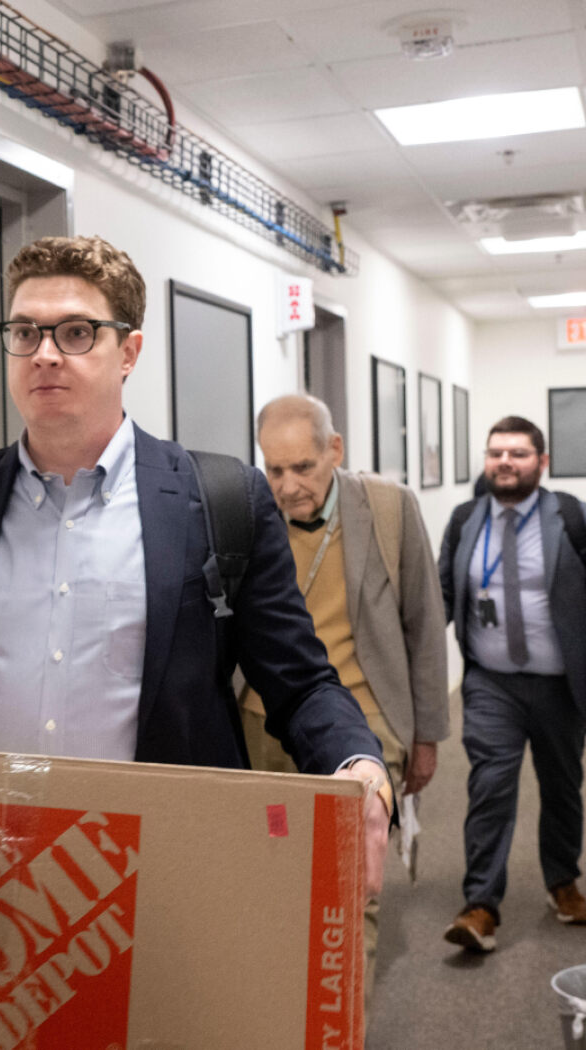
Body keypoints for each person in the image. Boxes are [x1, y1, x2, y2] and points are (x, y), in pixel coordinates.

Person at [0, 235, 392, 894]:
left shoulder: (220, 500)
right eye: (25, 332)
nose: (44, 354)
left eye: (75, 333)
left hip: (163, 870)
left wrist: (355, 762)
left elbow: (298, 682)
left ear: (129, 352)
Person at [247, 393, 449, 993]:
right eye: (274, 469)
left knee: (352, 887)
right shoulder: (249, 514)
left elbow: (424, 623)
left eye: (302, 467)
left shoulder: (387, 508)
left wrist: (427, 737)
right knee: (270, 878)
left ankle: (340, 1024)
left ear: (334, 450)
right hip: (262, 724)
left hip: (367, 725)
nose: (288, 486)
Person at [440, 416, 586, 952]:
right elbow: (441, 593)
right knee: (490, 787)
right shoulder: (464, 520)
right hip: (491, 684)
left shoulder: (570, 517)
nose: (505, 462)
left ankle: (562, 882)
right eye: (496, 452)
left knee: (562, 787)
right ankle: (480, 904)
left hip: (560, 686)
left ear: (541, 462)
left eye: (518, 453)